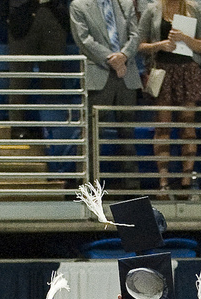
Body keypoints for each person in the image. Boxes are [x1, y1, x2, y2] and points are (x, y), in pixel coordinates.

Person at [137, 0, 201, 198]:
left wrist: (185, 38)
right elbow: (140, 45)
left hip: (188, 71)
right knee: (163, 127)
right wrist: (161, 45)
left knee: (188, 126)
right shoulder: (152, 10)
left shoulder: (195, 10)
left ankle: (186, 180)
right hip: (162, 71)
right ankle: (163, 181)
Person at [70, 0, 142, 190]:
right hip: (99, 75)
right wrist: (112, 60)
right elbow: (83, 39)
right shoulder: (79, 5)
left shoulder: (125, 4)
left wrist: (124, 56)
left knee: (127, 133)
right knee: (92, 135)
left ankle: (132, 189)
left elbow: (136, 35)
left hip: (126, 75)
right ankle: (88, 187)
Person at [5, 0, 70, 140]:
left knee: (53, 76)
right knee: (19, 76)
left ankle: (51, 128)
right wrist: (7, 16)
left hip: (54, 13)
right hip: (22, 15)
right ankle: (17, 126)